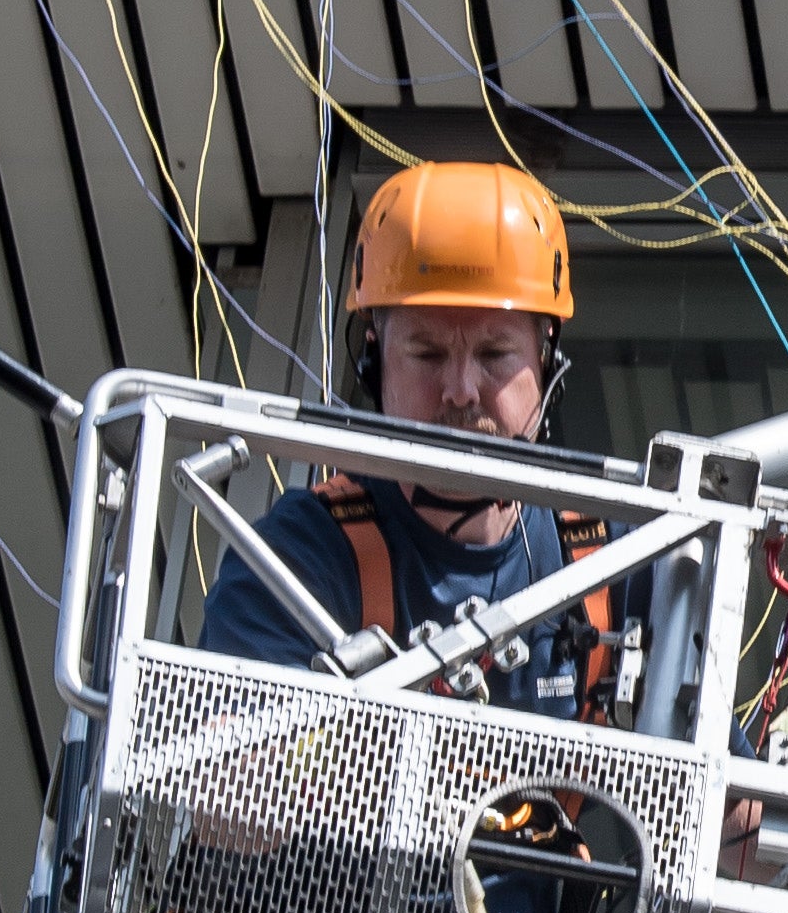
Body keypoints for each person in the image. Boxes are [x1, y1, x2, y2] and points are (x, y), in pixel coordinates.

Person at [201, 158, 601, 710]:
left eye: (495, 354)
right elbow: (224, 773)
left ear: (547, 358)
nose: (460, 390)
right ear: (372, 361)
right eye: (427, 353)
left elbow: (735, 793)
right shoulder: (299, 558)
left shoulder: (613, 558)